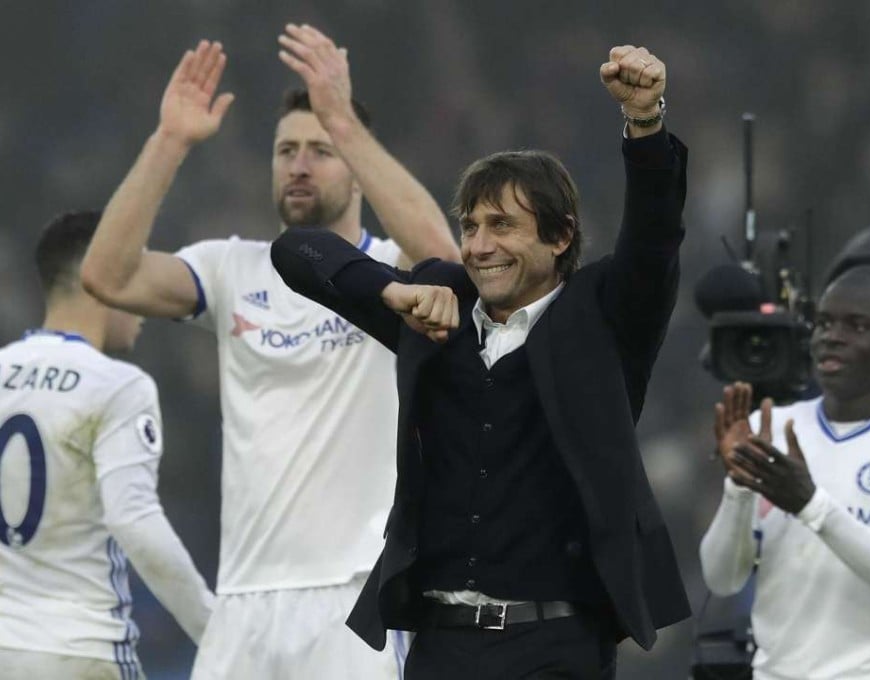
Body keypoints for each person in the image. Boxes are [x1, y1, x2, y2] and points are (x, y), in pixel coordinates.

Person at [271, 43, 689, 679]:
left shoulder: (604, 315)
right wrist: (391, 290)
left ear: (561, 236)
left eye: (503, 226)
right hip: (441, 646)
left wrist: (645, 123)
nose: (480, 246)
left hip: (556, 647)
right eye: (469, 227)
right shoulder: (435, 305)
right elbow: (295, 252)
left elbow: (655, 235)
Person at [80, 25, 459, 679]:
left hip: (354, 597)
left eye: (321, 149)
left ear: (359, 170)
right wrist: (169, 141)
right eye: (286, 150)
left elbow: (445, 261)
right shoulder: (232, 270)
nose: (300, 164)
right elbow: (109, 278)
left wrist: (342, 117)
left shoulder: (389, 274)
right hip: (244, 606)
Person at [700, 264, 870, 679]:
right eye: (825, 323)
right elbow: (722, 578)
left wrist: (812, 505)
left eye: (857, 326)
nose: (832, 336)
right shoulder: (769, 426)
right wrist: (737, 489)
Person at [0, 211, 213, 679]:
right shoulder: (116, 386)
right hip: (80, 650)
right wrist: (218, 633)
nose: (145, 301)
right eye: (135, 278)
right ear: (105, 277)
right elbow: (134, 522)